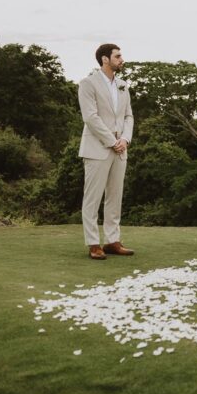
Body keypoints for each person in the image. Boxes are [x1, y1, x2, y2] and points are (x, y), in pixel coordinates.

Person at [77, 43, 135, 260]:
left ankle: (113, 241)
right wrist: (112, 141)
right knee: (92, 198)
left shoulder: (123, 85)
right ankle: (93, 244)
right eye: (118, 56)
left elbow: (128, 116)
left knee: (115, 197)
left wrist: (125, 139)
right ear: (104, 59)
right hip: (97, 148)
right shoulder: (87, 84)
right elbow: (90, 117)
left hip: (120, 149)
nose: (122, 59)